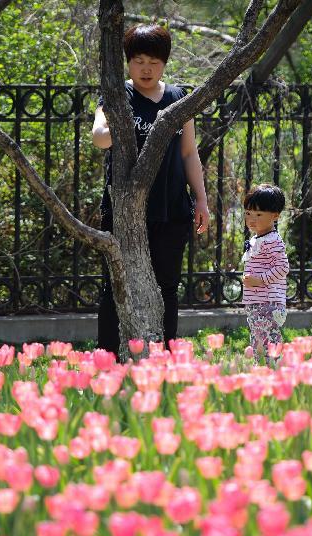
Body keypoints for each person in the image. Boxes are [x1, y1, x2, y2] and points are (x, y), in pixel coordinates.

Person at [91, 24, 210, 354]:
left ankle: (164, 357)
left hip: (172, 209)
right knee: (117, 285)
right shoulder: (117, 96)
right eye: (139, 60)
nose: (146, 68)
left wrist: (200, 199)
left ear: (165, 63)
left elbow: (188, 152)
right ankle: (109, 360)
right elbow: (100, 138)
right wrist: (119, 120)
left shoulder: (177, 99)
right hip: (124, 212)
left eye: (154, 61)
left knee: (167, 287)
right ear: (128, 62)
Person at [242, 184, 289, 363]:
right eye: (248, 213)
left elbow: (283, 267)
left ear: (275, 216)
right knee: (258, 337)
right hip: (257, 301)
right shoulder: (258, 238)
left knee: (268, 338)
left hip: (268, 302)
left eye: (259, 214)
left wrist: (258, 281)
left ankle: (273, 368)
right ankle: (262, 367)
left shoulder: (273, 240)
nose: (251, 219)